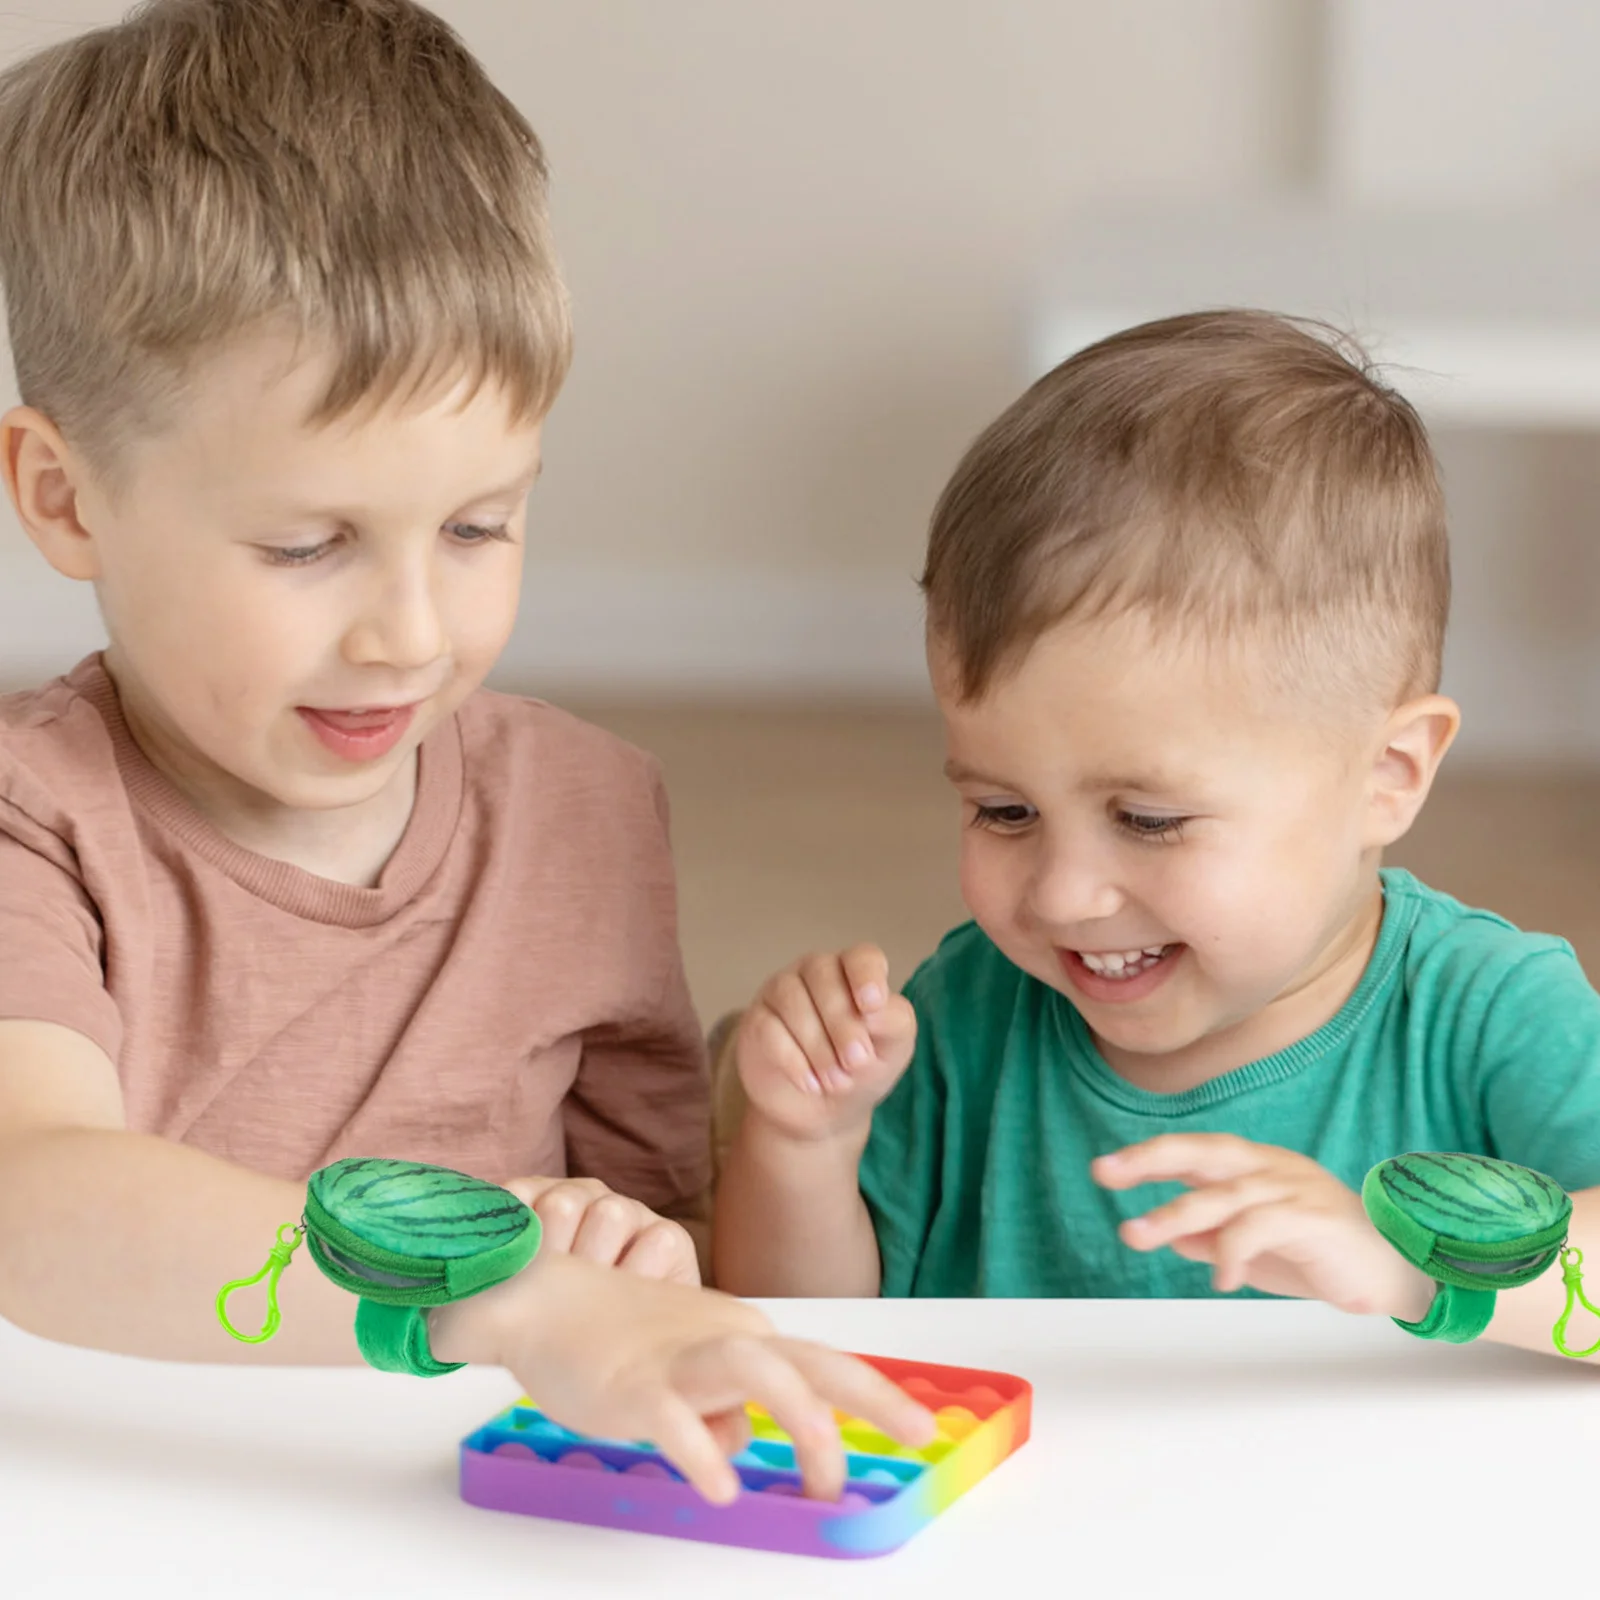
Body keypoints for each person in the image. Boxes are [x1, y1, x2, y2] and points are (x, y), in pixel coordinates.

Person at [0, 0, 932, 1503]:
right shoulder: (34, 816)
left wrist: (631, 1250)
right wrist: (503, 1297)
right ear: (64, 497)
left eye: (480, 526)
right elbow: (32, 1202)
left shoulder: (583, 809)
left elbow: (657, 1248)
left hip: (466, 1514)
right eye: (307, 546)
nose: (410, 634)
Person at [714, 310, 1600, 1363]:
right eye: (1004, 810)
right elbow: (796, 1336)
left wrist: (1411, 1266)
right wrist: (804, 1144)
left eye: (1148, 820)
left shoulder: (1492, 1016)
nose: (1062, 894)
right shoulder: (964, 1015)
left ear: (1387, 776)